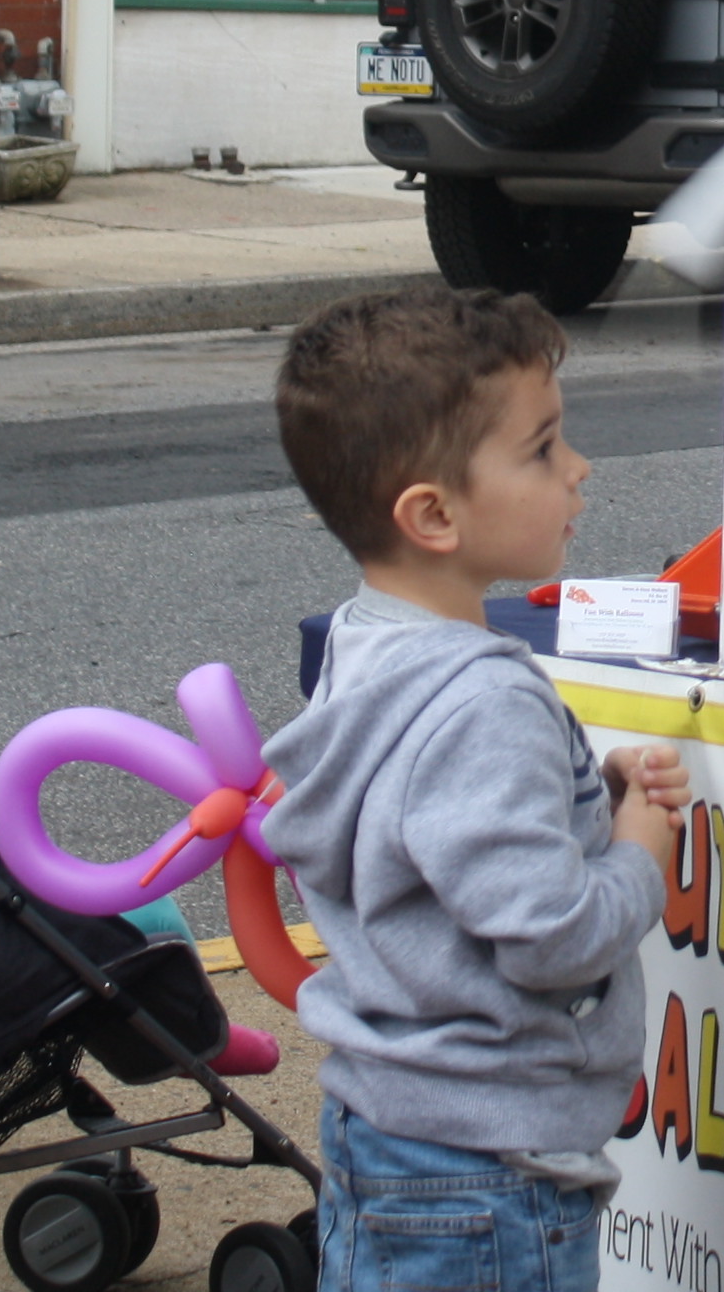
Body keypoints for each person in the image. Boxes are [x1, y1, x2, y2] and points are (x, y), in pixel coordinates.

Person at [257, 286, 695, 1292]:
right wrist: (639, 850)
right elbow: (552, 937)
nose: (578, 469)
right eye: (541, 449)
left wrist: (593, 784)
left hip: (388, 1130)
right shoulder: (483, 700)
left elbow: (438, 832)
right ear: (434, 514)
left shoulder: (365, 651)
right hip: (491, 1172)